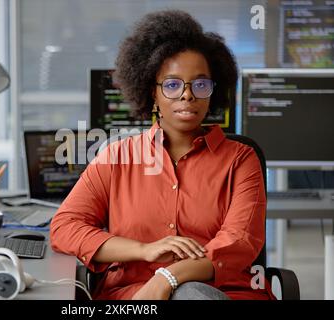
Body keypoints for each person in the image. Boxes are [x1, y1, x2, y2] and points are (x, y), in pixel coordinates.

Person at [50, 10, 275, 300]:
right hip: (135, 294)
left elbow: (239, 243)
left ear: (213, 90)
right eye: (172, 84)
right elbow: (64, 228)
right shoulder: (117, 157)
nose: (187, 95)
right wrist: (143, 250)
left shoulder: (241, 160)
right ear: (151, 92)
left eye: (200, 84)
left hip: (224, 292)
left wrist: (168, 277)